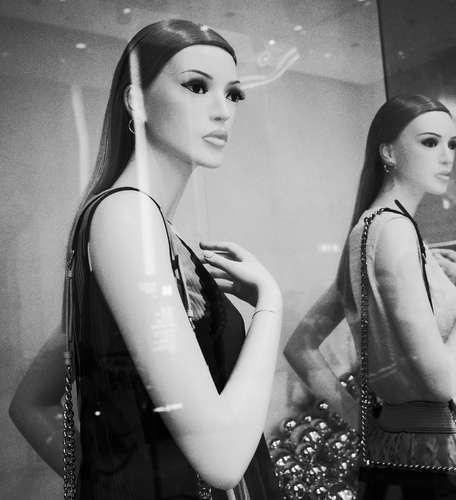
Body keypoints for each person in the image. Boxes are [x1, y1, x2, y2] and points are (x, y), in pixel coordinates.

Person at [9, 19, 282, 500]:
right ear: (136, 101)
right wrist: (270, 306)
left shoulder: (150, 228)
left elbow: (31, 403)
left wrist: (114, 478)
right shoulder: (126, 218)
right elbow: (221, 459)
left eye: (233, 94)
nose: (223, 110)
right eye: (196, 86)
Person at [284, 95, 456, 499]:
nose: (446, 156)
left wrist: (361, 420)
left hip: (397, 453)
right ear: (389, 152)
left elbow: (301, 346)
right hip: (435, 461)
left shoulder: (371, 230)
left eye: (452, 144)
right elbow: (442, 382)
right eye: (430, 142)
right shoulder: (393, 231)